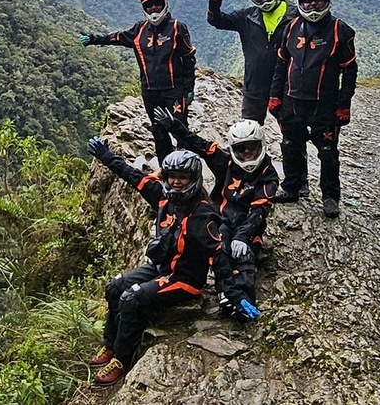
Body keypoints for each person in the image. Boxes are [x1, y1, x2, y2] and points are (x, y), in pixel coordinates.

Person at [84, 139, 255, 385]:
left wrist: (232, 292)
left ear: (193, 178)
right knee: (114, 287)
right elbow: (133, 176)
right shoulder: (164, 198)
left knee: (130, 298)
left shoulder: (202, 214)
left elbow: (218, 255)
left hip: (183, 279)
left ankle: (121, 359)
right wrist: (105, 155)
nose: (176, 181)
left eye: (182, 177)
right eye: (171, 176)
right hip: (160, 268)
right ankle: (110, 345)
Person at [152, 107, 278, 320]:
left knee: (245, 257)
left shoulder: (269, 175)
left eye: (252, 149)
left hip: (248, 225)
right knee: (221, 250)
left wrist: (243, 237)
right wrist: (174, 126)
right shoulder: (225, 160)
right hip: (219, 219)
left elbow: (259, 210)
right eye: (241, 149)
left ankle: (244, 302)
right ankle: (225, 293)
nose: (247, 154)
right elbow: (198, 144)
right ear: (233, 149)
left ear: (261, 146)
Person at [268, 0, 358, 218]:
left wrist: (344, 104)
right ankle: (291, 187)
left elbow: (350, 70)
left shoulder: (341, 30)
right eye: (307, 2)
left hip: (325, 107)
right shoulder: (290, 27)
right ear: (300, 3)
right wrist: (275, 96)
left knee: (328, 152)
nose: (313, 6)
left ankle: (330, 197)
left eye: (318, 1)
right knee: (290, 146)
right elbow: (281, 64)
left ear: (327, 0)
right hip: (292, 102)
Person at [81, 0, 197, 164]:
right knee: (159, 132)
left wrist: (189, 89)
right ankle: (166, 169)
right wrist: (93, 39)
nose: (154, 9)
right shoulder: (139, 30)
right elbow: (116, 38)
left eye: (157, 4)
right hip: (150, 92)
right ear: (144, 7)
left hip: (174, 90)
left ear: (165, 3)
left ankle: (187, 165)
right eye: (149, 5)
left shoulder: (177, 28)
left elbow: (188, 58)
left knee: (180, 128)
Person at [207, 0, 297, 125]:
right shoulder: (246, 17)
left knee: (291, 132)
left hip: (286, 86)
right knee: (249, 131)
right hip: (254, 87)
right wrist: (214, 3)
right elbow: (218, 21)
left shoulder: (295, 15)